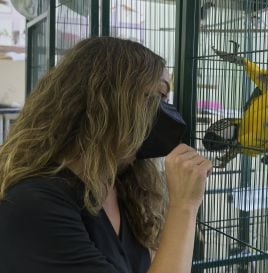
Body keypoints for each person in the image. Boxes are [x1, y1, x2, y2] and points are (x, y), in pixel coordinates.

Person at [0, 36, 212, 273]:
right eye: (157, 98)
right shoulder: (33, 205)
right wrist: (184, 205)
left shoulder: (123, 184)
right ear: (109, 103)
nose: (165, 113)